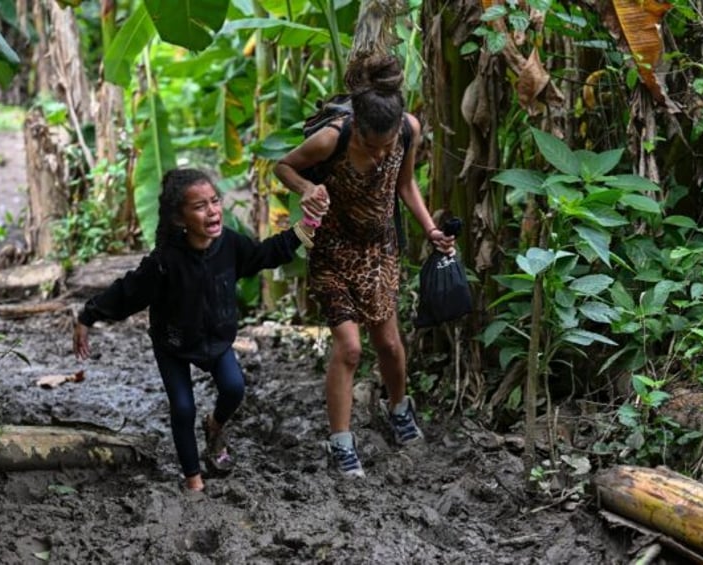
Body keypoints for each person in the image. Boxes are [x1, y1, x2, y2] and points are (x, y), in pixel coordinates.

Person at [73, 168, 327, 492]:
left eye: (215, 201)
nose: (213, 211)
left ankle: (215, 425)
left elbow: (263, 255)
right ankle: (194, 480)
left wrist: (304, 229)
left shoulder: (230, 245)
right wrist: (87, 316)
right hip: (174, 342)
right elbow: (128, 292)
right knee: (182, 407)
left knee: (234, 388)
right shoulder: (165, 261)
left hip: (216, 340)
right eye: (200, 206)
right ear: (180, 219)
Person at [274, 54, 456, 478]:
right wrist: (306, 187)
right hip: (333, 249)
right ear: (357, 127)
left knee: (390, 344)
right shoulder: (331, 139)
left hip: (379, 250)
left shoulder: (408, 130)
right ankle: (340, 443)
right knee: (351, 348)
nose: (380, 156)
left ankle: (399, 409)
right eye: (371, 147)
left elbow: (405, 183)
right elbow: (283, 166)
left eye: (387, 146)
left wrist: (430, 230)